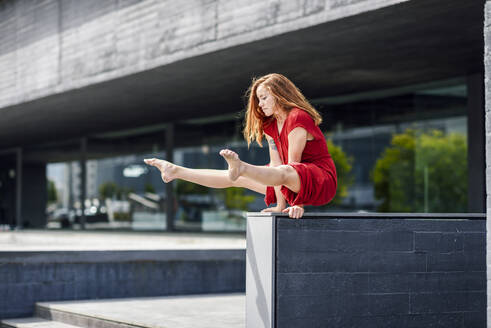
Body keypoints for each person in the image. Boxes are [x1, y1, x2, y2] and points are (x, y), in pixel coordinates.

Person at [144, 73, 337, 219]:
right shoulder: (271, 126)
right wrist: (280, 207)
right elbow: (277, 169)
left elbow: (294, 167)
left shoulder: (297, 117)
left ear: (279, 94)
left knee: (276, 170)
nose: (260, 105)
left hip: (321, 180)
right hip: (290, 177)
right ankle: (176, 171)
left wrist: (298, 206)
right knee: (236, 178)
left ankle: (241, 166)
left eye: (264, 98)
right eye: (258, 99)